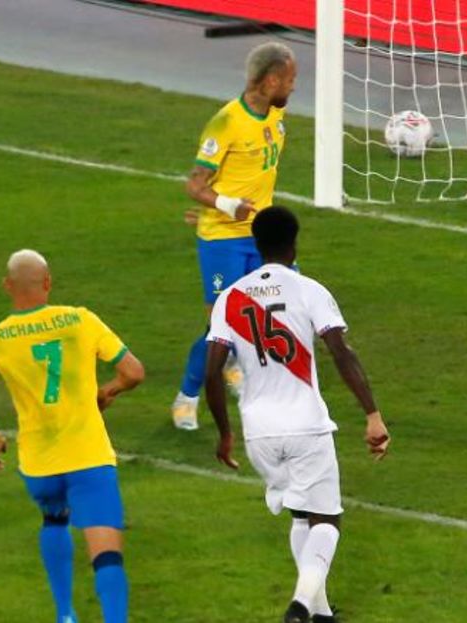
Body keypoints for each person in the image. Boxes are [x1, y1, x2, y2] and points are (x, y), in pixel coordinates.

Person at [203, 206, 391, 623]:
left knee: (300, 513)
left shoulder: (230, 298)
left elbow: (211, 372)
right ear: (294, 243)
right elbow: (341, 353)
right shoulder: (309, 290)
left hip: (260, 433)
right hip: (305, 425)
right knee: (327, 520)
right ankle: (300, 607)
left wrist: (224, 434)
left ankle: (321, 614)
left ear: (256, 243)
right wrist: (372, 414)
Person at [0, 249, 145, 623]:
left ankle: (65, 615)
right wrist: (107, 392)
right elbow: (133, 372)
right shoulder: (80, 319)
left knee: (54, 520)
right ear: (48, 282)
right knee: (107, 554)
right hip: (88, 457)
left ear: (6, 286)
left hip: (39, 465)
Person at [173, 41, 298, 430]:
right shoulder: (225, 123)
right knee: (219, 326)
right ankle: (187, 397)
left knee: (269, 313)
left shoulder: (275, 117)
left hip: (260, 236)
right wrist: (225, 207)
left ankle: (234, 369)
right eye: (290, 80)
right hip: (224, 240)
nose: (293, 88)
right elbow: (194, 185)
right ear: (272, 79)